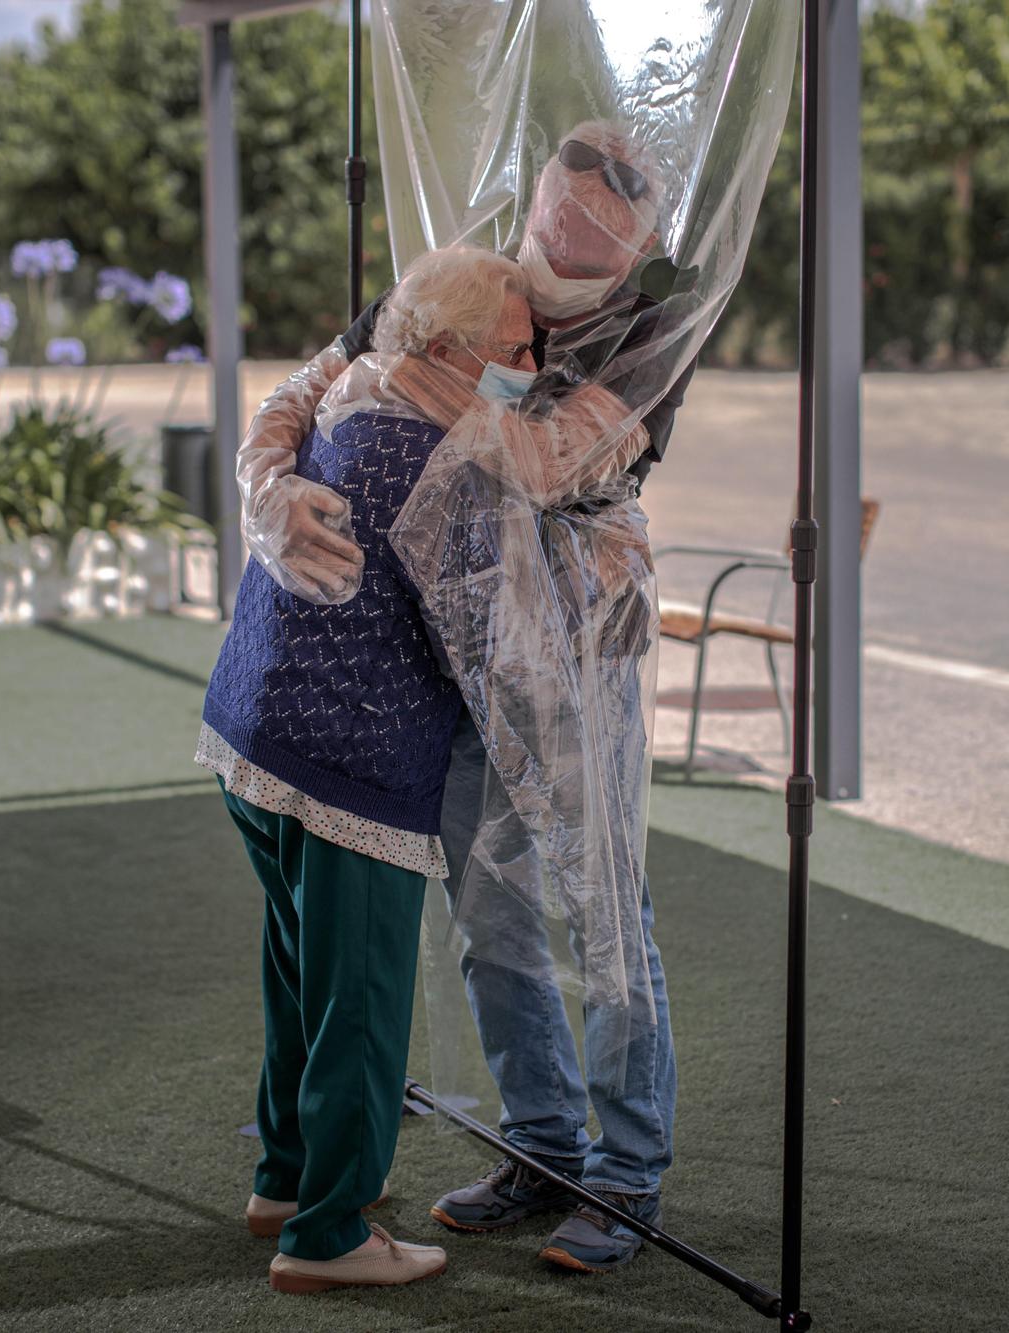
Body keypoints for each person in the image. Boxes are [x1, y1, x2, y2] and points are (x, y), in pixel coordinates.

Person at [235, 119, 690, 1274]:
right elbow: (305, 382)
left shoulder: (658, 321)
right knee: (489, 918)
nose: (588, 199)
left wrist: (407, 378)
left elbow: (544, 461)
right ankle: (539, 1148)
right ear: (540, 189)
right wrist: (269, 482)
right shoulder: (473, 280)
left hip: (572, 652)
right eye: (568, 184)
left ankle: (626, 1171)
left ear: (643, 233)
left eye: (615, 199)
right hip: (456, 661)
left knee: (604, 917)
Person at [197, 246, 539, 1294]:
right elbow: (483, 637)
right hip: (354, 762)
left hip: (254, 729)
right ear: (446, 349)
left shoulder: (352, 388)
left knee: (298, 970)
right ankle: (330, 1231)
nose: (531, 366)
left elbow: (282, 410)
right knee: (361, 996)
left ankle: (285, 1177)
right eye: (515, 349)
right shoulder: (440, 461)